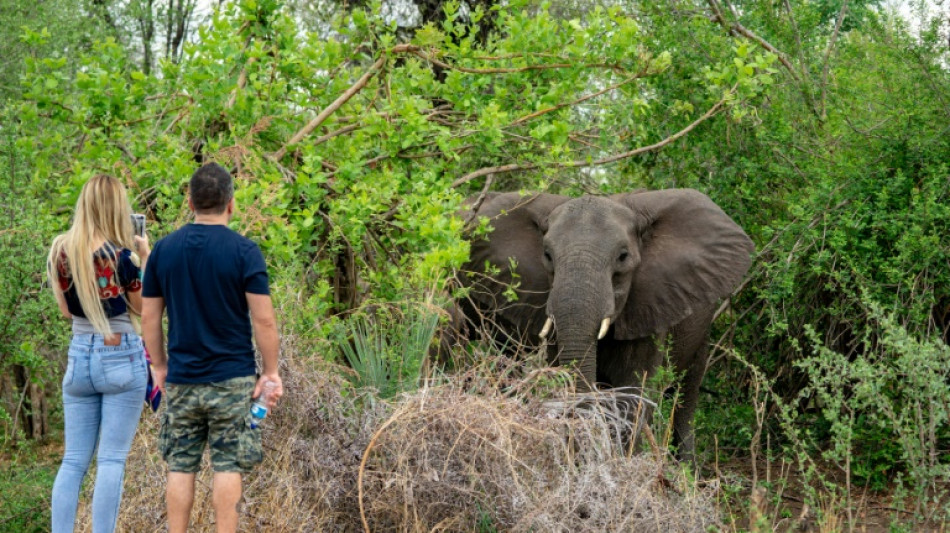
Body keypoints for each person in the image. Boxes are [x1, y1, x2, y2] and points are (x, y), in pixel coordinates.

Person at [141, 162, 282, 533]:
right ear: (231, 204)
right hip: (232, 379)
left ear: (190, 201)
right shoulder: (245, 251)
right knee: (228, 464)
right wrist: (270, 373)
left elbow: (150, 318)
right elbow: (263, 320)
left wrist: (158, 365)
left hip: (183, 379)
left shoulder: (163, 251)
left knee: (180, 464)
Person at [47, 174, 151, 533]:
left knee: (73, 461)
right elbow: (143, 309)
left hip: (79, 356)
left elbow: (66, 311)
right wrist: (145, 256)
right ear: (116, 209)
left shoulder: (61, 251)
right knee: (111, 459)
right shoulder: (123, 258)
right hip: (120, 355)